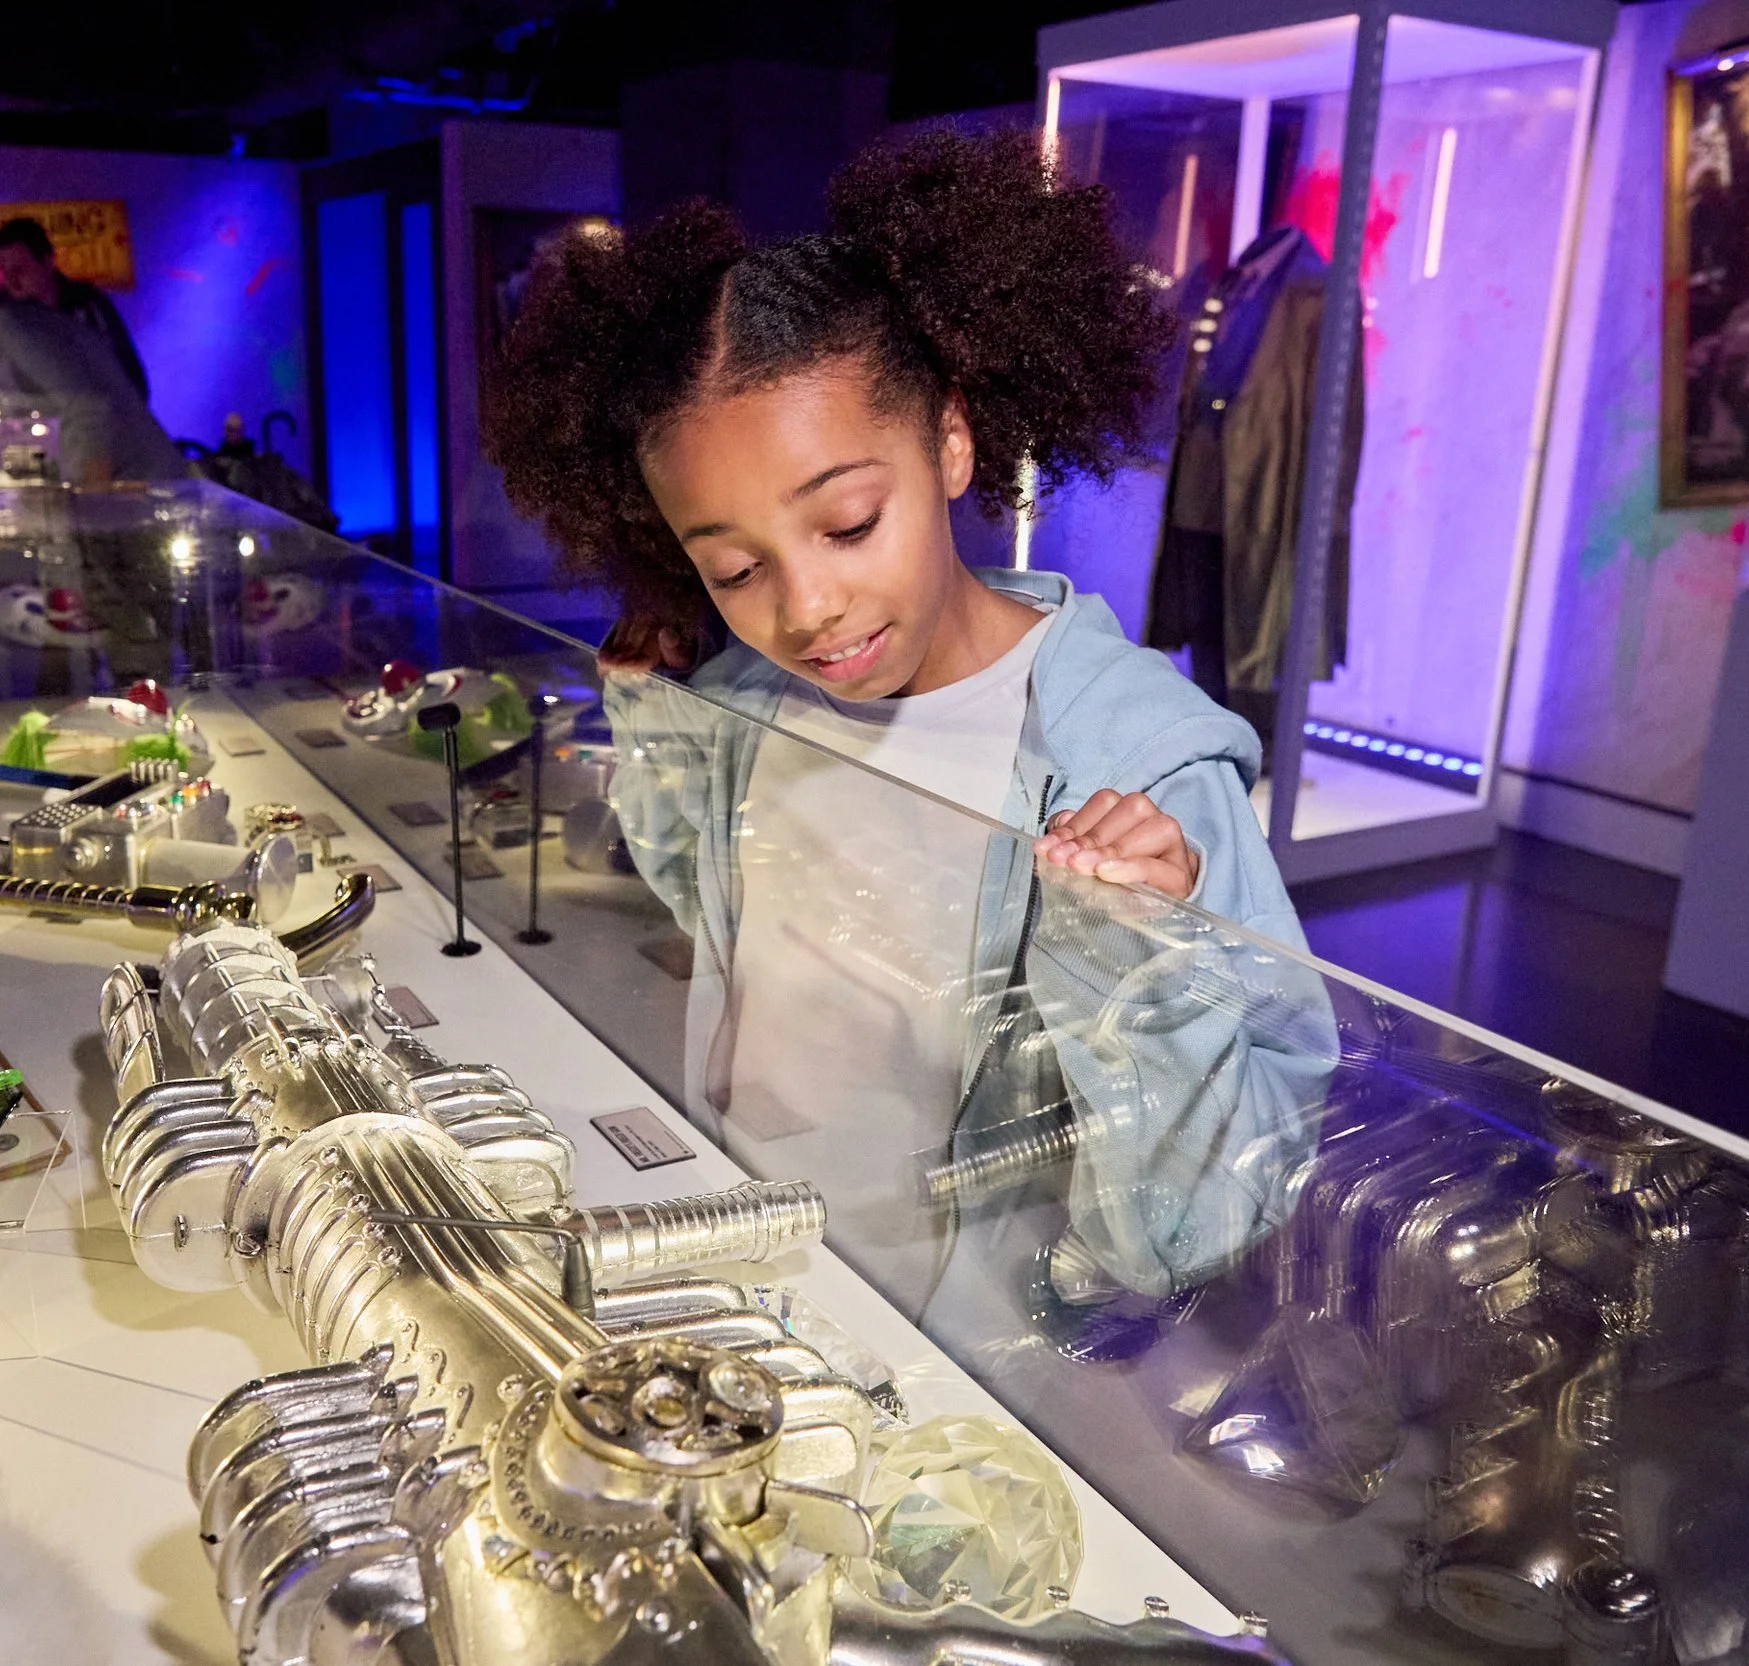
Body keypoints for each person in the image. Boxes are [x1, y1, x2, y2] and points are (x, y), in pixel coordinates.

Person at [482, 128, 1327, 1323]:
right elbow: (714, 905)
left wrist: (1142, 957)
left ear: (949, 437)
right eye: (731, 567)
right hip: (742, 1259)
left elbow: (1203, 1225)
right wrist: (662, 718)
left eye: (846, 523)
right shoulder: (753, 698)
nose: (806, 608)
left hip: (967, 1343)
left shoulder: (1137, 774)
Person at [0, 245, 184, 489]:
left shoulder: (17, 331)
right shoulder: (4, 337)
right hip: (132, 487)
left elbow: (87, 409)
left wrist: (93, 508)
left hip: (143, 487)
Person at [0, 217, 151, 405]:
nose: (10, 280)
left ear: (47, 260)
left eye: (19, 269)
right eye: (3, 270)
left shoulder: (87, 306)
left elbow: (127, 371)